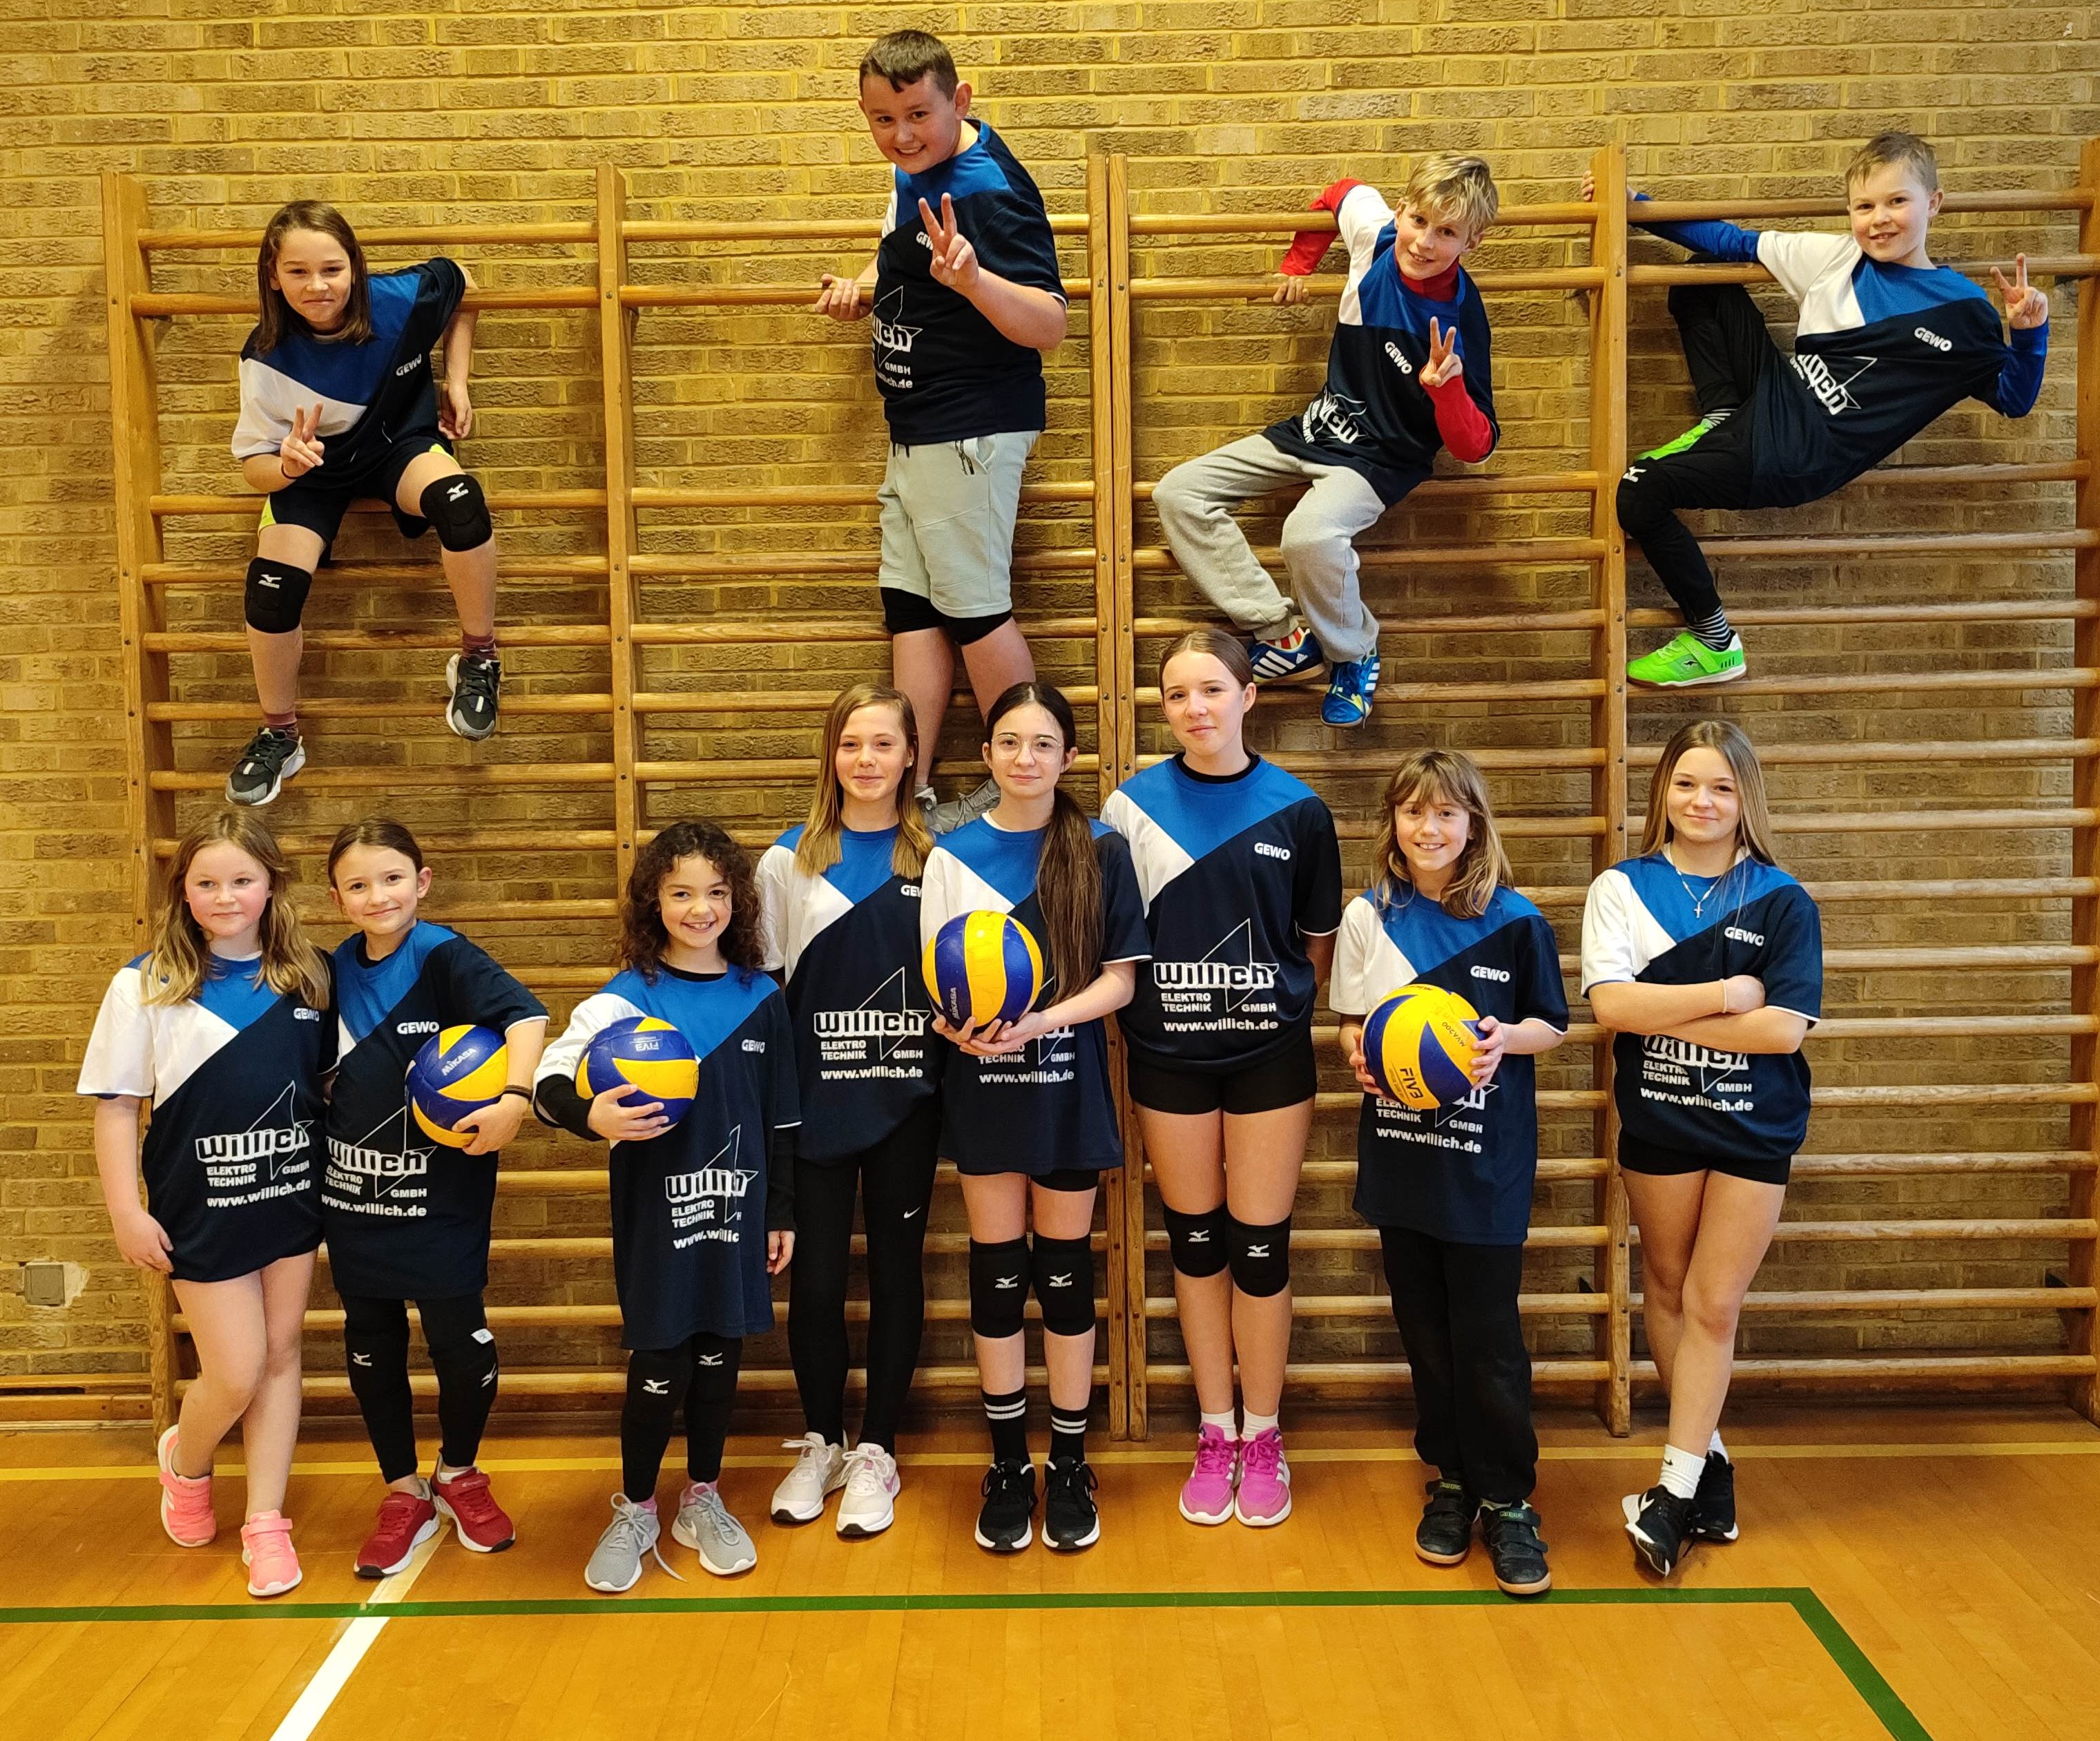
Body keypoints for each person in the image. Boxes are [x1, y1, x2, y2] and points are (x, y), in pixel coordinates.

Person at [1597, 131, 2050, 689]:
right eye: (1864, 206)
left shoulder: (1963, 312)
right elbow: (1731, 240)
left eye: (1896, 201)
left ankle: (1713, 641)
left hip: (1795, 454)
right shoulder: (1837, 257)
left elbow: (2013, 399)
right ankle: (1722, 414)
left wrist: (2028, 333)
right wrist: (1635, 206)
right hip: (1776, 397)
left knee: (1637, 492)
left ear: (1933, 203)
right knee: (1701, 276)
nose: (1878, 220)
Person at [1101, 628, 1342, 1528]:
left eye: (1211, 689)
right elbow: (1116, 937)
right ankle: (1215, 1429)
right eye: (1176, 694)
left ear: (1248, 697)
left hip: (1268, 1060)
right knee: (1196, 1244)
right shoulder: (1130, 808)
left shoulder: (1299, 810)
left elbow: (1314, 944)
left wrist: (1271, 1008)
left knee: (1261, 1246)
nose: (1194, 708)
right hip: (1167, 1059)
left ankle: (1264, 1433)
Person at [1581, 720, 1822, 1577]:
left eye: (1720, 786)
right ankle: (1708, 1462)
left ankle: (1673, 1491)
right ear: (1663, 791)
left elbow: (1782, 1031)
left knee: (1714, 1304)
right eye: (1686, 783)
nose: (1702, 801)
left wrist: (1666, 1011)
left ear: (1743, 797)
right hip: (1660, 1123)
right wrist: (1725, 995)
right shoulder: (1621, 887)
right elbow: (1611, 1009)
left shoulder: (1782, 900)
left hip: (1753, 1129)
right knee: (1668, 1287)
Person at [815, 29, 1068, 831]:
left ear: (958, 101)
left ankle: (1017, 784)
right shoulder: (917, 167)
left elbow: (1049, 324)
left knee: (975, 610)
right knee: (913, 611)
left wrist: (975, 280)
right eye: (881, 120)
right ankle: (912, 790)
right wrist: (862, 286)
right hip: (916, 431)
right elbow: (900, 246)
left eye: (918, 115)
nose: (901, 136)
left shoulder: (987, 191)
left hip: (968, 431)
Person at [534, 822, 799, 1590]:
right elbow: (549, 1082)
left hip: (738, 1212)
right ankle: (638, 1507)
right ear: (654, 900)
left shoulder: (760, 998)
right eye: (681, 892)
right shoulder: (625, 999)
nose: (699, 908)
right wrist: (591, 1115)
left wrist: (779, 1210)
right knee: (660, 1362)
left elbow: (782, 1118)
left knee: (719, 1358)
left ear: (737, 901)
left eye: (716, 892)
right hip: (656, 1218)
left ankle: (702, 1498)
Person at [918, 683, 1150, 1552]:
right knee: (996, 1275)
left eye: (1043, 743)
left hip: (1065, 1083)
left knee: (1061, 1275)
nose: (1025, 758)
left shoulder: (1098, 849)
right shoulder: (951, 855)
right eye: (1009, 742)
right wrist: (959, 1029)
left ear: (1067, 757)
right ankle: (1009, 1462)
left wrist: (1040, 1021)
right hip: (982, 1088)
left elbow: (1120, 981)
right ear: (986, 756)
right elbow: (937, 982)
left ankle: (1069, 1462)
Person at [78, 810, 333, 1598]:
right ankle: (185, 1464)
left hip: (290, 1197)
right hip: (199, 1205)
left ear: (271, 886)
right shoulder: (145, 983)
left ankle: (265, 1520)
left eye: (242, 880)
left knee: (281, 1355)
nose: (226, 896)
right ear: (183, 892)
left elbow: (328, 1086)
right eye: (207, 882)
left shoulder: (309, 977)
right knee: (235, 1368)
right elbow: (117, 1107)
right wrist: (127, 1210)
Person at [1331, 750, 1567, 1597]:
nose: (1427, 829)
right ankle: (1452, 1481)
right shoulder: (1368, 916)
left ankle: (1506, 1498)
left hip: (1483, 1164)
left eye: (1444, 813)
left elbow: (1552, 1024)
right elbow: (1350, 1024)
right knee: (1425, 1332)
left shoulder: (1514, 920)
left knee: (1487, 1335)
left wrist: (1505, 1039)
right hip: (1402, 1158)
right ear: (1392, 824)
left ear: (1472, 825)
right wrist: (1358, 1056)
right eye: (1412, 812)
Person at [1152, 155, 1501, 729]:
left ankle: (1352, 652)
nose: (1423, 242)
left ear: (1472, 241)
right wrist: (1298, 264)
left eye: (1446, 232)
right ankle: (1282, 635)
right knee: (1178, 493)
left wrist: (1447, 392)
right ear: (1400, 211)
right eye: (1418, 221)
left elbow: (1476, 446)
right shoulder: (1375, 237)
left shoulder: (1460, 316)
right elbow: (1339, 191)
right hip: (1317, 428)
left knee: (1308, 535)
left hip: (1380, 458)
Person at [320, 818, 548, 1577]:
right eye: (358, 885)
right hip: (354, 1198)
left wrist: (514, 1098)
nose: (377, 895)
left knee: (459, 1341)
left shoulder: (443, 955)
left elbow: (526, 1016)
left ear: (421, 881)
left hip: (441, 1196)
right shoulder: (328, 972)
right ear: (337, 899)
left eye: (391, 878)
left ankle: (458, 1472)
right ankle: (401, 1490)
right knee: (371, 1341)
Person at [225, 200, 505, 806]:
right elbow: (253, 469)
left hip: (398, 448)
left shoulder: (398, 300)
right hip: (312, 474)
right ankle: (280, 733)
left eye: (332, 268)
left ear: (355, 266)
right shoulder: (266, 357)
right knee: (271, 587)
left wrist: (457, 380)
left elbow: (465, 284)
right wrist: (288, 464)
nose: (317, 286)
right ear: (273, 276)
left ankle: (479, 658)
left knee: (461, 500)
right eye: (297, 272)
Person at [757, 684, 942, 1539]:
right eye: (849, 744)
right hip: (813, 1107)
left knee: (898, 1270)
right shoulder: (785, 861)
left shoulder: (939, 859)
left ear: (909, 757)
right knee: (818, 1281)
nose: (865, 760)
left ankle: (877, 1450)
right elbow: (763, 994)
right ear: (829, 756)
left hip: (907, 1100)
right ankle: (822, 1441)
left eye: (882, 744)